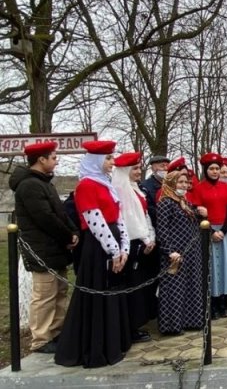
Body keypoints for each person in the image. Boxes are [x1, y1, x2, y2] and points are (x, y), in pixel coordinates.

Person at [55, 140, 132, 368]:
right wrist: (113, 250)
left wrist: (124, 247)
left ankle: (115, 343)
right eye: (108, 159)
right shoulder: (87, 185)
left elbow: (119, 218)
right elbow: (95, 220)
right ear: (97, 160)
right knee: (100, 292)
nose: (112, 163)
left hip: (115, 241)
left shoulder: (106, 184)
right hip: (99, 247)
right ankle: (97, 347)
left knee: (114, 291)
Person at [9, 141, 78, 354]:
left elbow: (60, 212)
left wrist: (73, 231)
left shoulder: (44, 182)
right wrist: (67, 235)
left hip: (55, 248)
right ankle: (40, 339)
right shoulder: (29, 185)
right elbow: (45, 218)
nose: (57, 161)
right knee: (45, 294)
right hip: (42, 249)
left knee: (59, 291)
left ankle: (55, 333)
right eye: (54, 158)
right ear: (41, 159)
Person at [111, 152, 156, 342]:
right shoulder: (122, 190)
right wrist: (144, 239)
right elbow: (128, 220)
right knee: (132, 286)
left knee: (140, 286)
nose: (139, 172)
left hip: (143, 240)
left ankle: (136, 324)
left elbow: (143, 216)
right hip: (131, 243)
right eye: (135, 169)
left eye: (139, 168)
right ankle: (129, 327)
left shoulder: (136, 189)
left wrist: (149, 236)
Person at [191, 152, 227, 319]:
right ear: (205, 170)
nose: (214, 171)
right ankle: (211, 303)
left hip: (224, 231)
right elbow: (197, 212)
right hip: (207, 232)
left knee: (225, 267)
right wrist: (212, 232)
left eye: (217, 169)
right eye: (211, 168)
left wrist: (223, 231)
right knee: (211, 267)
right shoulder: (198, 188)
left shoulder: (226, 187)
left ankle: (222, 301)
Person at [156, 171, 206, 335]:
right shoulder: (165, 203)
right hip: (175, 253)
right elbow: (162, 231)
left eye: (186, 182)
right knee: (175, 288)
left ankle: (192, 321)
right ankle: (173, 325)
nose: (184, 185)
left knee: (192, 285)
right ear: (171, 184)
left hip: (191, 253)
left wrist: (200, 213)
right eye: (180, 182)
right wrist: (170, 251)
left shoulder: (185, 202)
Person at [140, 155, 170, 229]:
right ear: (153, 168)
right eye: (162, 166)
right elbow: (148, 208)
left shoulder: (170, 185)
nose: (165, 169)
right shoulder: (145, 186)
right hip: (155, 225)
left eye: (167, 166)